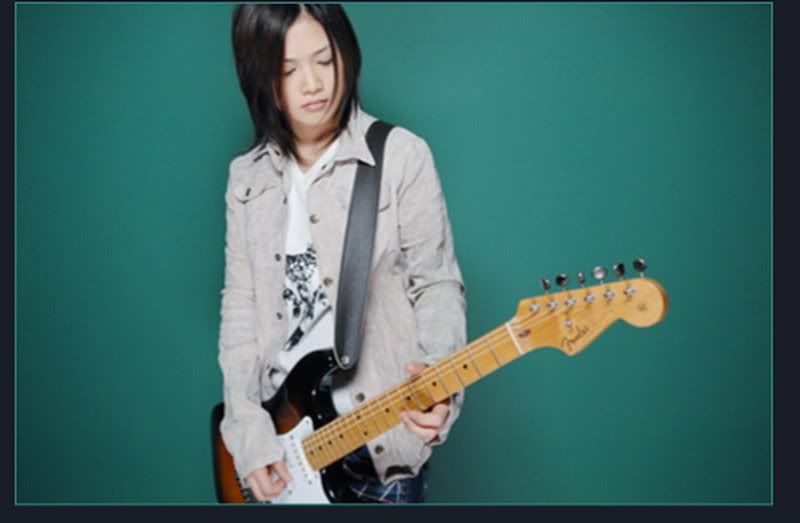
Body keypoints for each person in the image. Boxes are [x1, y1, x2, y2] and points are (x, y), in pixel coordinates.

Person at [219, 3, 466, 503]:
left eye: (324, 61)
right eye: (287, 70)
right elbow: (240, 310)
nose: (313, 84)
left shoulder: (401, 155)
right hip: (283, 447)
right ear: (259, 78)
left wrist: (441, 385)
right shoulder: (246, 179)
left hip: (381, 450)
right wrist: (247, 432)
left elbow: (436, 283)